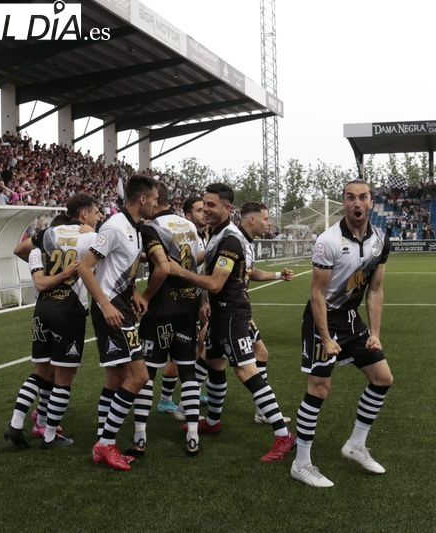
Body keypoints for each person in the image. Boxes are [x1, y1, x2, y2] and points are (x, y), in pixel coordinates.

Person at [168, 183, 295, 463]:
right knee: (212, 363)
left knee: (247, 371)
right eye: (204, 204)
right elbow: (202, 261)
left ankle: (283, 433)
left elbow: (215, 283)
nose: (206, 210)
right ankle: (213, 420)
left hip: (231, 315)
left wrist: (178, 271)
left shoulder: (230, 241)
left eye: (211, 205)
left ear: (228, 208)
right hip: (219, 314)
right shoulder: (217, 234)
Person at [290, 179, 393, 488]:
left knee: (382, 378)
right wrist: (325, 337)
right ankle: (301, 463)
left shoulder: (380, 240)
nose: (356, 203)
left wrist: (374, 332)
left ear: (371, 202)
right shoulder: (328, 241)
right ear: (344, 202)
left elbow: (375, 289)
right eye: (350, 198)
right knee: (319, 388)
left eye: (362, 197)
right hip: (323, 321)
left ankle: (356, 444)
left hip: (351, 320)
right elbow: (317, 294)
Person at [4, 193, 101, 449]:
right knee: (64, 378)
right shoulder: (89, 236)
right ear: (83, 215)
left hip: (43, 309)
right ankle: (49, 436)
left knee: (40, 372)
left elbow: (20, 249)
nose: (98, 217)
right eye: (95, 212)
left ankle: (15, 425)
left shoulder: (48, 236)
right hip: (69, 311)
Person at [79, 175, 158, 472]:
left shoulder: (135, 229)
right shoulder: (113, 227)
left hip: (122, 305)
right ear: (142, 199)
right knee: (139, 376)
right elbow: (84, 268)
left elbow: (116, 270)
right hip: (112, 311)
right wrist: (106, 303)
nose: (155, 203)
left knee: (115, 379)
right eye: (154, 198)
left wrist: (134, 293)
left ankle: (103, 441)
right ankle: (106, 443)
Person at [132, 181, 203, 456]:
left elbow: (161, 269)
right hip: (188, 304)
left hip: (162, 306)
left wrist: (146, 297)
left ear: (155, 199)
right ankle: (193, 436)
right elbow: (197, 260)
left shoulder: (151, 228)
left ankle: (140, 435)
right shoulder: (188, 225)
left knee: (147, 372)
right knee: (188, 371)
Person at [238, 201, 294, 425]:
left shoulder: (246, 243)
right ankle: (263, 412)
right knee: (259, 353)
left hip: (236, 307)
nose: (268, 223)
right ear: (252, 219)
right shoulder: (234, 240)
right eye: (266, 218)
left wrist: (278, 275)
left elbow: (250, 273)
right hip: (230, 310)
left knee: (209, 358)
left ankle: (191, 410)